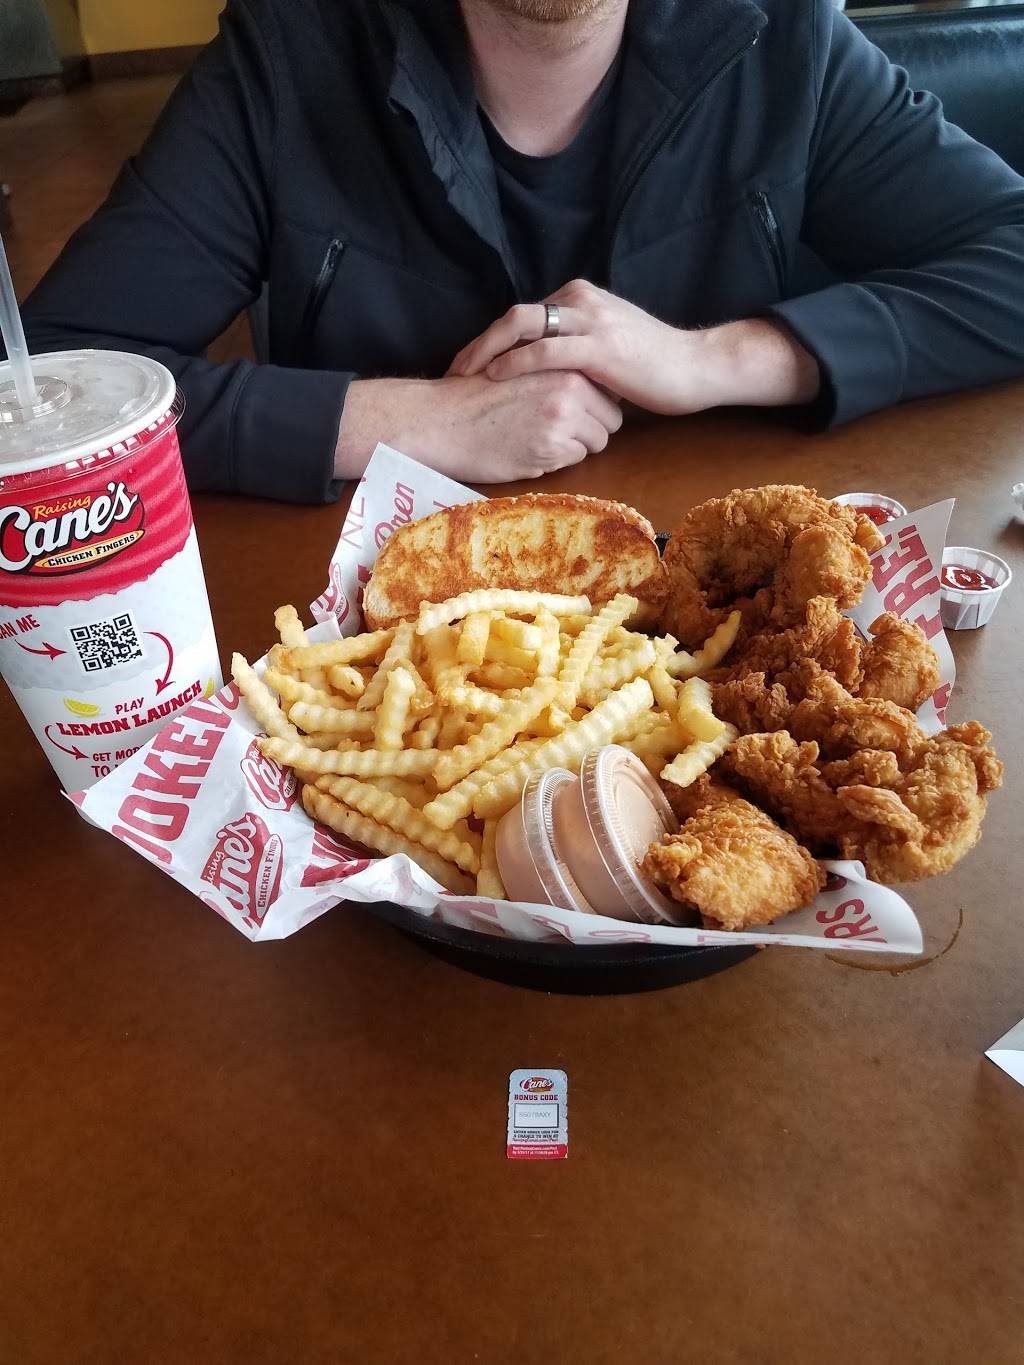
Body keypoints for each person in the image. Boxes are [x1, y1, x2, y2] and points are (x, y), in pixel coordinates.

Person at [17, 0, 1024, 502]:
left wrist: (715, 357)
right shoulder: (286, 56)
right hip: (372, 641)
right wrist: (412, 422)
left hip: (711, 622)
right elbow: (38, 386)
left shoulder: (786, 38)